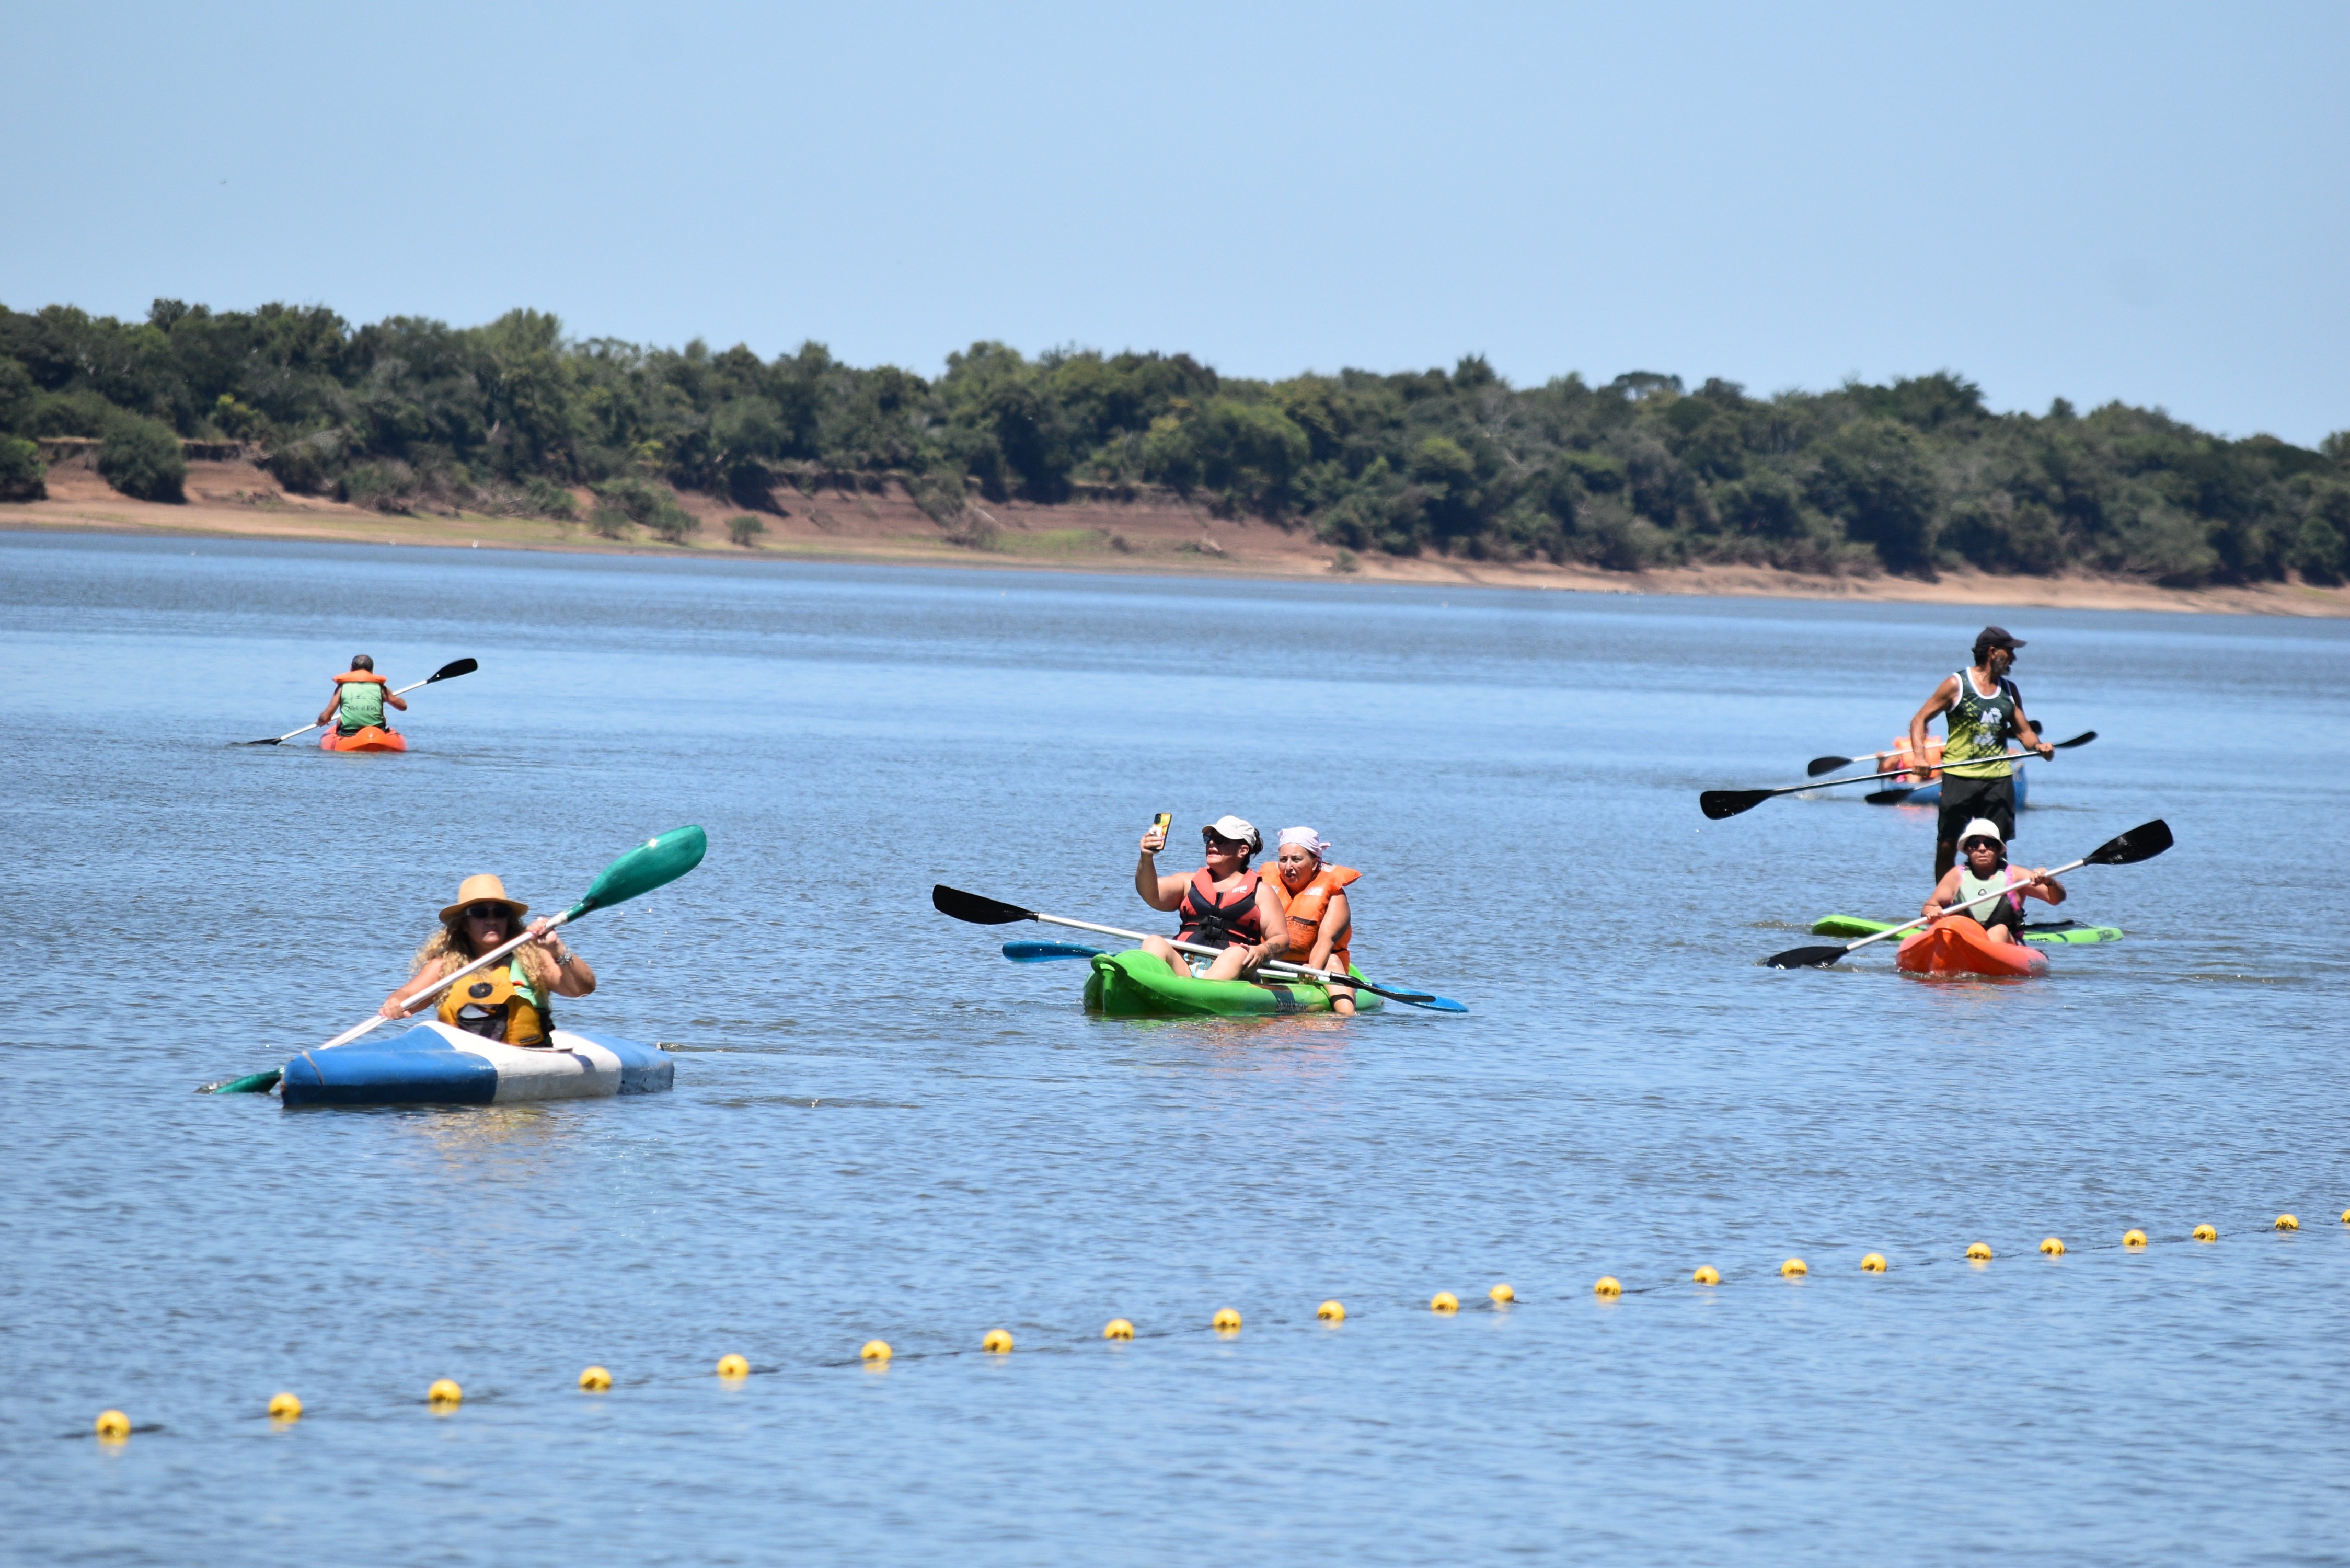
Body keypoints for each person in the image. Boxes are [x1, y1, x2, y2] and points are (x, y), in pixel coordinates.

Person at [1906, 626, 2054, 877]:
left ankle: (1998, 903)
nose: (2014, 659)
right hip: (1959, 775)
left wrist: (2039, 746)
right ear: (1993, 652)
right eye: (2010, 652)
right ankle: (1945, 904)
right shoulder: (1957, 685)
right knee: (1947, 843)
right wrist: (1920, 757)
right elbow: (1919, 720)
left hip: (1997, 778)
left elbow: (2024, 732)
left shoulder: (2009, 690)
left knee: (1998, 848)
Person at [379, 874, 596, 1046]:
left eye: (500, 912)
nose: (491, 920)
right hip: (462, 1061)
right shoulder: (444, 966)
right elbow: (407, 996)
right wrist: (394, 1003)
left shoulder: (533, 958)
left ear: (508, 920)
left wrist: (557, 949)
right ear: (464, 923)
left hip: (526, 1058)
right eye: (480, 913)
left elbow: (583, 989)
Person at [1133, 815, 1292, 982]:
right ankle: (1150, 987)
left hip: (1234, 970)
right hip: (1186, 965)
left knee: (1237, 953)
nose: (1212, 843)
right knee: (1154, 941)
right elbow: (1151, 894)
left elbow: (1281, 939)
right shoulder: (1189, 883)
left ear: (1243, 850)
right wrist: (1146, 857)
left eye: (1221, 840)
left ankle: (1199, 994)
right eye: (1209, 838)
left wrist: (1262, 951)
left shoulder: (1261, 892)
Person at [1921, 818, 2065, 944]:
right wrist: (1933, 911)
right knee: (1948, 926)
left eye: (1989, 844)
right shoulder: (1956, 876)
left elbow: (2055, 899)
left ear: (1997, 849)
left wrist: (2049, 881)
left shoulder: (2015, 876)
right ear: (1968, 849)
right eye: (1975, 844)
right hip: (1965, 940)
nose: (1982, 849)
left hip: (2006, 944)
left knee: (1999, 930)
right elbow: (1929, 906)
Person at [1269, 826, 1361, 1013]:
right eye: (1283, 860)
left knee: (1333, 961)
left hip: (1316, 966)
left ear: (1314, 863)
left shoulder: (1335, 896)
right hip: (1271, 965)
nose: (1288, 867)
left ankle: (1346, 1016)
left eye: (1296, 860)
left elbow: (1326, 941)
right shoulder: (1265, 888)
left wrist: (1311, 970)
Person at [317, 654, 407, 737]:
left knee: (340, 720)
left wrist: (321, 721)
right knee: (384, 719)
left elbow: (326, 717)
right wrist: (385, 698)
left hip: (349, 734)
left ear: (351, 669)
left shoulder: (342, 688)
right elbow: (403, 707)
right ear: (372, 670)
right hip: (376, 732)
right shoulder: (381, 689)